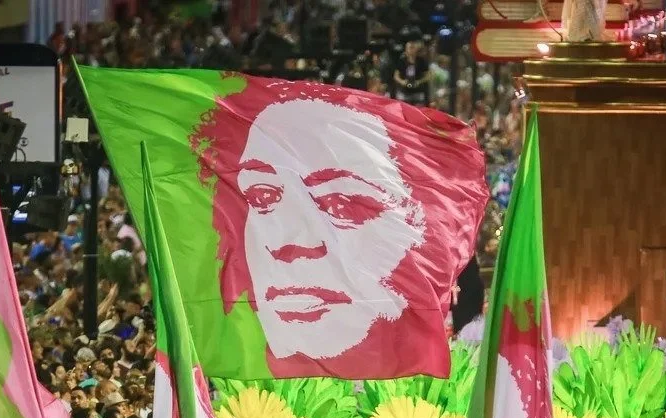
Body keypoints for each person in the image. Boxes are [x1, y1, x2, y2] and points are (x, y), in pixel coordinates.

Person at [191, 77, 486, 378]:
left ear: (416, 228)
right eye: (263, 196)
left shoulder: (462, 383)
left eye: (341, 205)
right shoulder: (221, 396)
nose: (293, 244)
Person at [393, 40, 430, 106]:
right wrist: (402, 82)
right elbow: (396, 76)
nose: (411, 50)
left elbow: (428, 75)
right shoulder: (402, 61)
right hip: (404, 92)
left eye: (412, 47)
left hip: (418, 91)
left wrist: (419, 82)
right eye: (409, 48)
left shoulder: (421, 61)